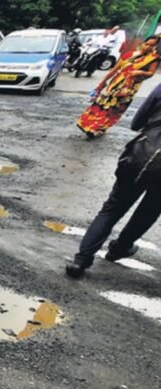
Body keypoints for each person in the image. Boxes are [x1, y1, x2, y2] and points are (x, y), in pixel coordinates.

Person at [66, 80, 161, 279]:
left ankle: (80, 261)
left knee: (112, 208)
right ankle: (119, 248)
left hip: (142, 156)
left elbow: (136, 123)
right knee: (149, 211)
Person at [77, 35, 159, 138]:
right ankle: (86, 124)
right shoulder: (129, 55)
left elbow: (151, 73)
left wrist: (138, 72)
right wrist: (102, 83)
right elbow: (114, 70)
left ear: (155, 47)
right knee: (102, 104)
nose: (148, 47)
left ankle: (98, 128)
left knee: (114, 109)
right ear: (142, 43)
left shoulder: (153, 59)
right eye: (147, 44)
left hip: (129, 89)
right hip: (115, 84)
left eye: (152, 45)